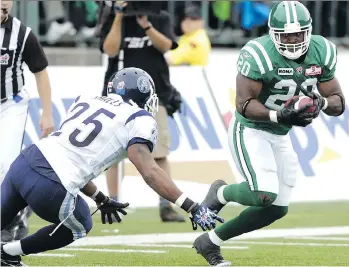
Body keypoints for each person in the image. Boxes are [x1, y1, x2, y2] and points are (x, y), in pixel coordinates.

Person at [0, 68, 224, 267]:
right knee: (80, 224)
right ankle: (8, 253)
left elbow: (66, 156)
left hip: (25, 162)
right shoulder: (139, 118)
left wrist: (100, 198)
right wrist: (192, 207)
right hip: (49, 184)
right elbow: (149, 171)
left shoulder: (87, 100)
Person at [192, 1, 346, 266]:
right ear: (273, 34)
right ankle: (221, 193)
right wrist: (278, 115)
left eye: (298, 33)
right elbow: (243, 103)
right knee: (263, 194)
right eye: (286, 35)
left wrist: (319, 103)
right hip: (251, 129)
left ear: (308, 31)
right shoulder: (259, 53)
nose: (293, 40)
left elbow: (338, 101)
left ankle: (210, 242)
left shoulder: (321, 51)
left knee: (276, 209)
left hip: (279, 133)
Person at [100, 1, 185, 222]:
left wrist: (146, 25)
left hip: (154, 95)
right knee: (112, 154)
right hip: (118, 96)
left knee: (159, 152)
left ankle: (165, 205)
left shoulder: (159, 16)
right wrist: (118, 16)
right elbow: (110, 49)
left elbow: (166, 46)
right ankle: (112, 201)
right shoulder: (112, 16)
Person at [0, 0, 54, 243]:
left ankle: (9, 225)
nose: (4, 3)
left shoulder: (23, 34)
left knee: (5, 164)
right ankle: (21, 209)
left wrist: (47, 112)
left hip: (11, 103)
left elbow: (40, 71)